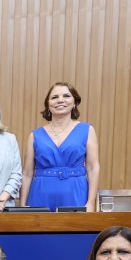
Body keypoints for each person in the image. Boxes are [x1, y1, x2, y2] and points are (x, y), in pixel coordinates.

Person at [23, 82, 100, 210]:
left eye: (66, 96)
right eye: (54, 97)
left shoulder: (87, 130)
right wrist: (23, 205)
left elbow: (93, 168)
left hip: (76, 194)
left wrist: (91, 203)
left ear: (74, 102)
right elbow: (27, 173)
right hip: (40, 195)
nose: (60, 100)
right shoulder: (34, 135)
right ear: (48, 104)